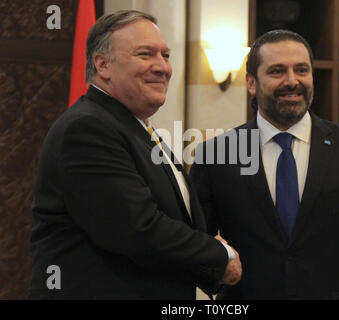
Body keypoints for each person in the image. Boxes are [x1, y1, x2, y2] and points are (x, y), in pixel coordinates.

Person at [29, 10, 241, 299]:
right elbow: (138, 229)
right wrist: (219, 255)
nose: (162, 67)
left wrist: (208, 250)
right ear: (103, 65)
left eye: (165, 55)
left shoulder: (133, 128)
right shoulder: (88, 128)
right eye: (145, 54)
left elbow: (168, 218)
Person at [189, 29, 339, 299]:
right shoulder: (216, 154)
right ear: (251, 82)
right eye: (277, 71)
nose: (292, 81)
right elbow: (195, 243)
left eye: (302, 70)